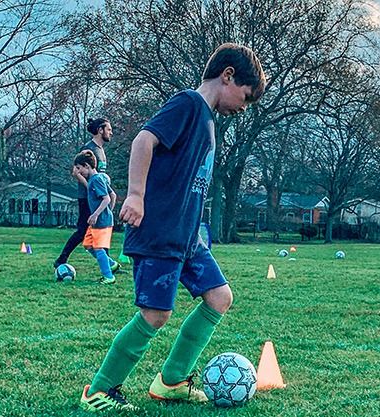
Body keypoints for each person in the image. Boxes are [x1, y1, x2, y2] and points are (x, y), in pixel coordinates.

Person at [80, 43, 266, 412]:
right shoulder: (187, 104)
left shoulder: (208, 120)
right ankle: (99, 390)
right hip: (160, 232)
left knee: (219, 297)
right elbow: (143, 140)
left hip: (188, 237)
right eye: (245, 96)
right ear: (227, 75)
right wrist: (135, 195)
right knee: (156, 314)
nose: (244, 107)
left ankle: (171, 381)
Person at [55, 117, 114, 278]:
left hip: (99, 196)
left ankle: (109, 265)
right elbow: (76, 172)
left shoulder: (101, 151)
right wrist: (91, 189)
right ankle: (62, 259)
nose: (111, 132)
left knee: (99, 231)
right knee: (83, 231)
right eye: (108, 129)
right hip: (88, 197)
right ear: (100, 130)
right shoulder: (88, 149)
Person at [75, 150, 118, 284]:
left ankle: (109, 277)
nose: (78, 172)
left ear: (87, 166)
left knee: (99, 248)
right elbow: (113, 195)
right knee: (88, 245)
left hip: (102, 221)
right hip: (97, 221)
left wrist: (98, 214)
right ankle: (111, 264)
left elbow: (106, 199)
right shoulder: (98, 179)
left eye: (79, 168)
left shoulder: (97, 180)